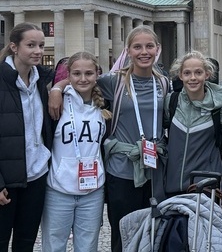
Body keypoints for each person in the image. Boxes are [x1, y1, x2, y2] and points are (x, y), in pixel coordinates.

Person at [50, 25, 170, 252]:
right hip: (122, 169)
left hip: (154, 169)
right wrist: (57, 88)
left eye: (149, 46)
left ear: (158, 49)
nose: (144, 52)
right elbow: (83, 78)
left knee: (153, 232)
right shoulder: (114, 81)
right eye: (137, 47)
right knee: (122, 233)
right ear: (128, 51)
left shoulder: (163, 83)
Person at [41, 51, 112, 252]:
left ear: (97, 74)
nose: (83, 79)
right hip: (58, 189)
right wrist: (57, 88)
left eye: (88, 73)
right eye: (77, 73)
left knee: (88, 246)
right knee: (54, 246)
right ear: (69, 75)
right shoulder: (56, 102)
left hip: (92, 191)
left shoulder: (106, 103)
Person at [0, 22, 54, 251]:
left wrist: (58, 88)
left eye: (41, 45)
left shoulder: (41, 80)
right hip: (6, 180)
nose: (38, 51)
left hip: (36, 176)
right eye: (31, 45)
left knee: (26, 243)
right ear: (14, 47)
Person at [163, 50, 222, 196]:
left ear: (207, 74)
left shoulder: (219, 106)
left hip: (207, 184)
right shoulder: (171, 102)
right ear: (180, 75)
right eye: (187, 73)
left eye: (198, 72)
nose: (193, 78)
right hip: (173, 183)